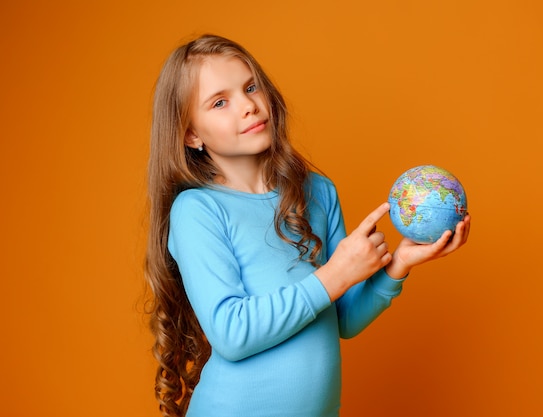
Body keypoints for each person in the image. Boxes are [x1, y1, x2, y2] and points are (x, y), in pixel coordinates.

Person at [145, 34, 471, 417]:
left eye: (251, 87)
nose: (249, 106)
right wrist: (334, 275)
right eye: (220, 102)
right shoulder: (198, 210)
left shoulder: (318, 192)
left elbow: (343, 319)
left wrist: (398, 264)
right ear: (191, 134)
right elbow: (232, 333)